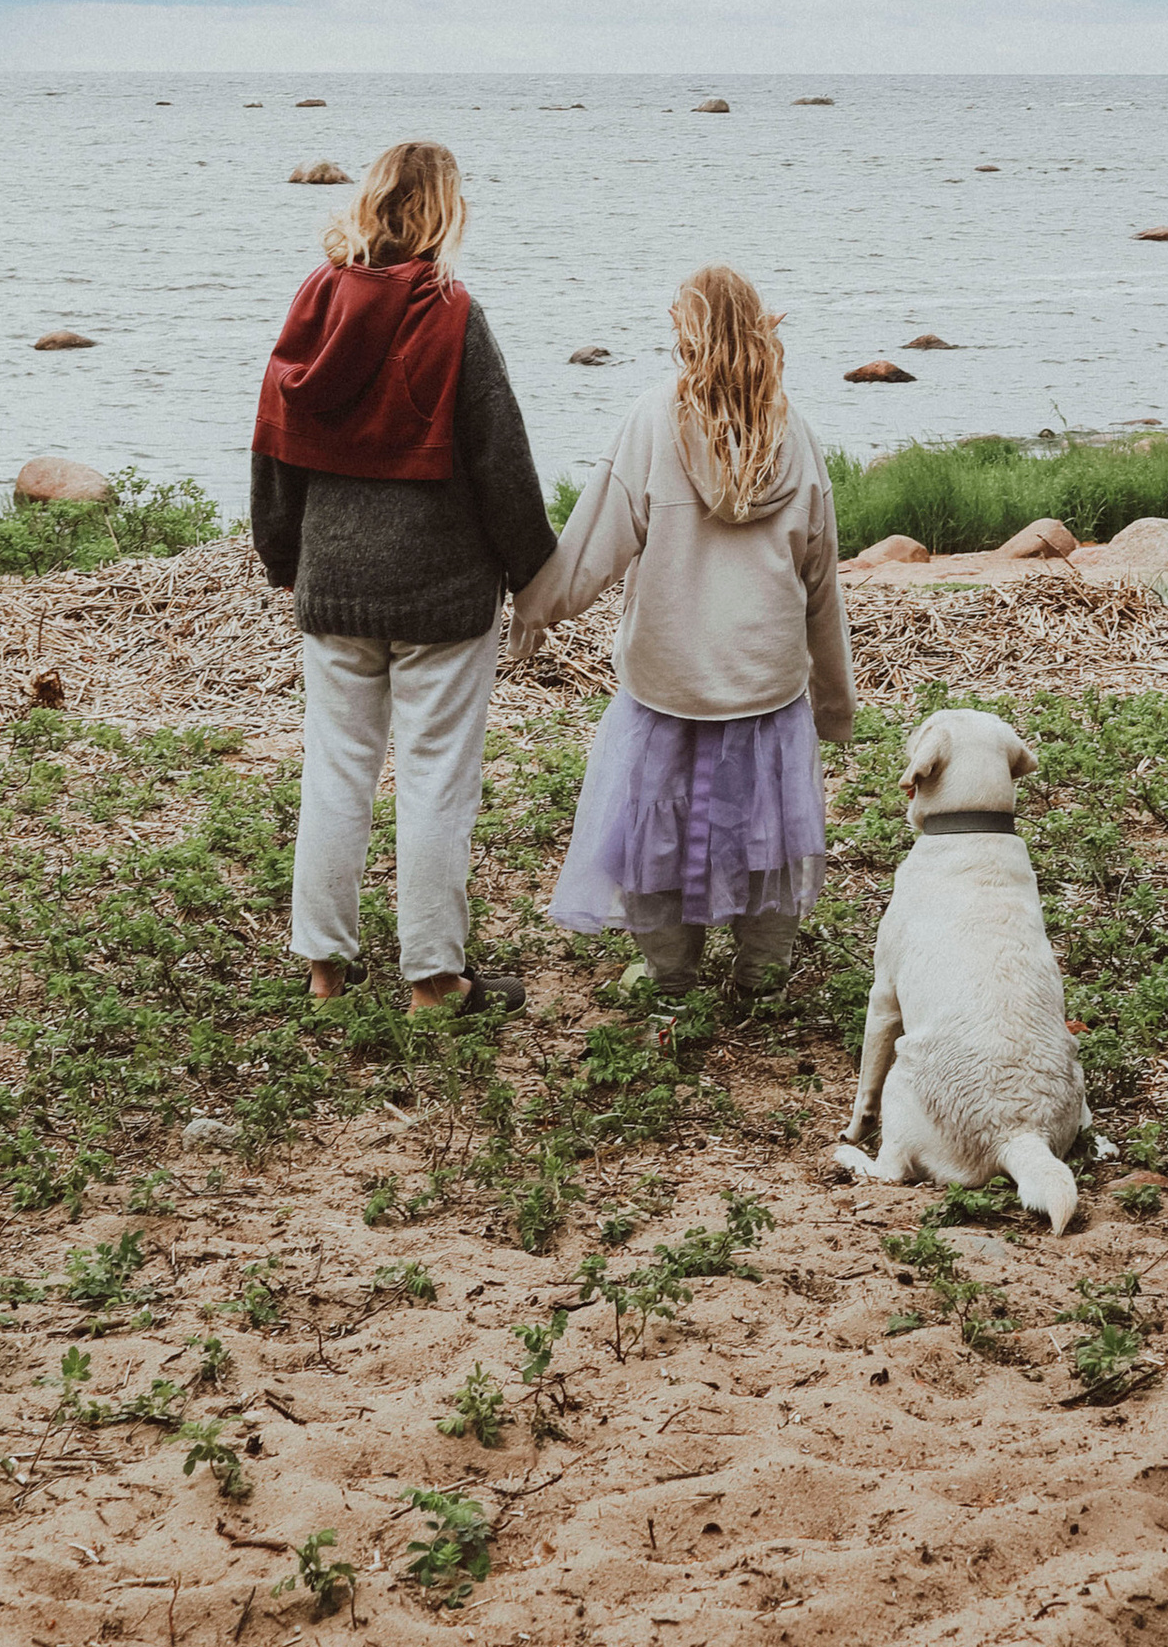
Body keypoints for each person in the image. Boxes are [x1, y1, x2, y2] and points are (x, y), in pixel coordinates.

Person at [252, 137, 552, 1013]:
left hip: (334, 583)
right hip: (441, 594)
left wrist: (284, 554)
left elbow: (273, 441)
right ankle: (431, 980)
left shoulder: (314, 305)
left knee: (335, 772)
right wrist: (535, 570)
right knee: (434, 782)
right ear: (445, 212)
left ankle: (325, 974)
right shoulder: (453, 313)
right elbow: (503, 462)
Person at [511, 263, 853, 996]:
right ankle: (762, 971)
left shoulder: (651, 420)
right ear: (763, 333)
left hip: (667, 679)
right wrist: (834, 700)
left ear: (686, 334)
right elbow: (822, 583)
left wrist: (532, 607)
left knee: (654, 831)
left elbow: (593, 543)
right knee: (767, 833)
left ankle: (670, 973)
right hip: (764, 680)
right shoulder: (798, 434)